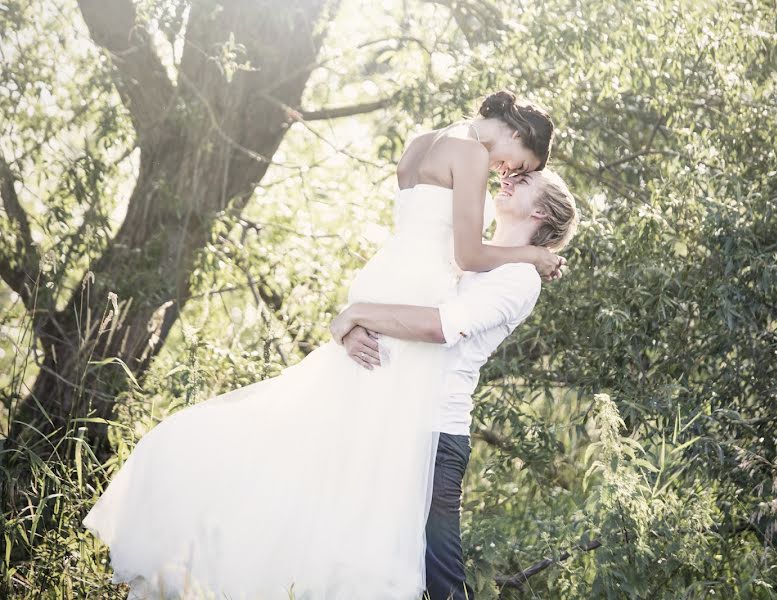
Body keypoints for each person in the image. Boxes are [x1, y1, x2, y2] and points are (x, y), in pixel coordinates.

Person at [81, 90, 562, 600]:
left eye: (518, 171)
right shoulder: (471, 153)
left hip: (384, 282)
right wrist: (534, 254)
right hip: (413, 296)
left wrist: (358, 310)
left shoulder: (423, 142)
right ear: (516, 132)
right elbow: (465, 255)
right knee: (376, 463)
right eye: (520, 160)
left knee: (340, 452)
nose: (506, 170)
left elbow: (425, 235)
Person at [329, 169, 580, 600]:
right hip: (392, 414)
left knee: (439, 573)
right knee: (373, 556)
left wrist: (358, 312)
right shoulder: (470, 253)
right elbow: (405, 300)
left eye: (522, 180)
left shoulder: (520, 279)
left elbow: (442, 327)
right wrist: (352, 328)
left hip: (436, 430)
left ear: (540, 210)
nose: (507, 179)